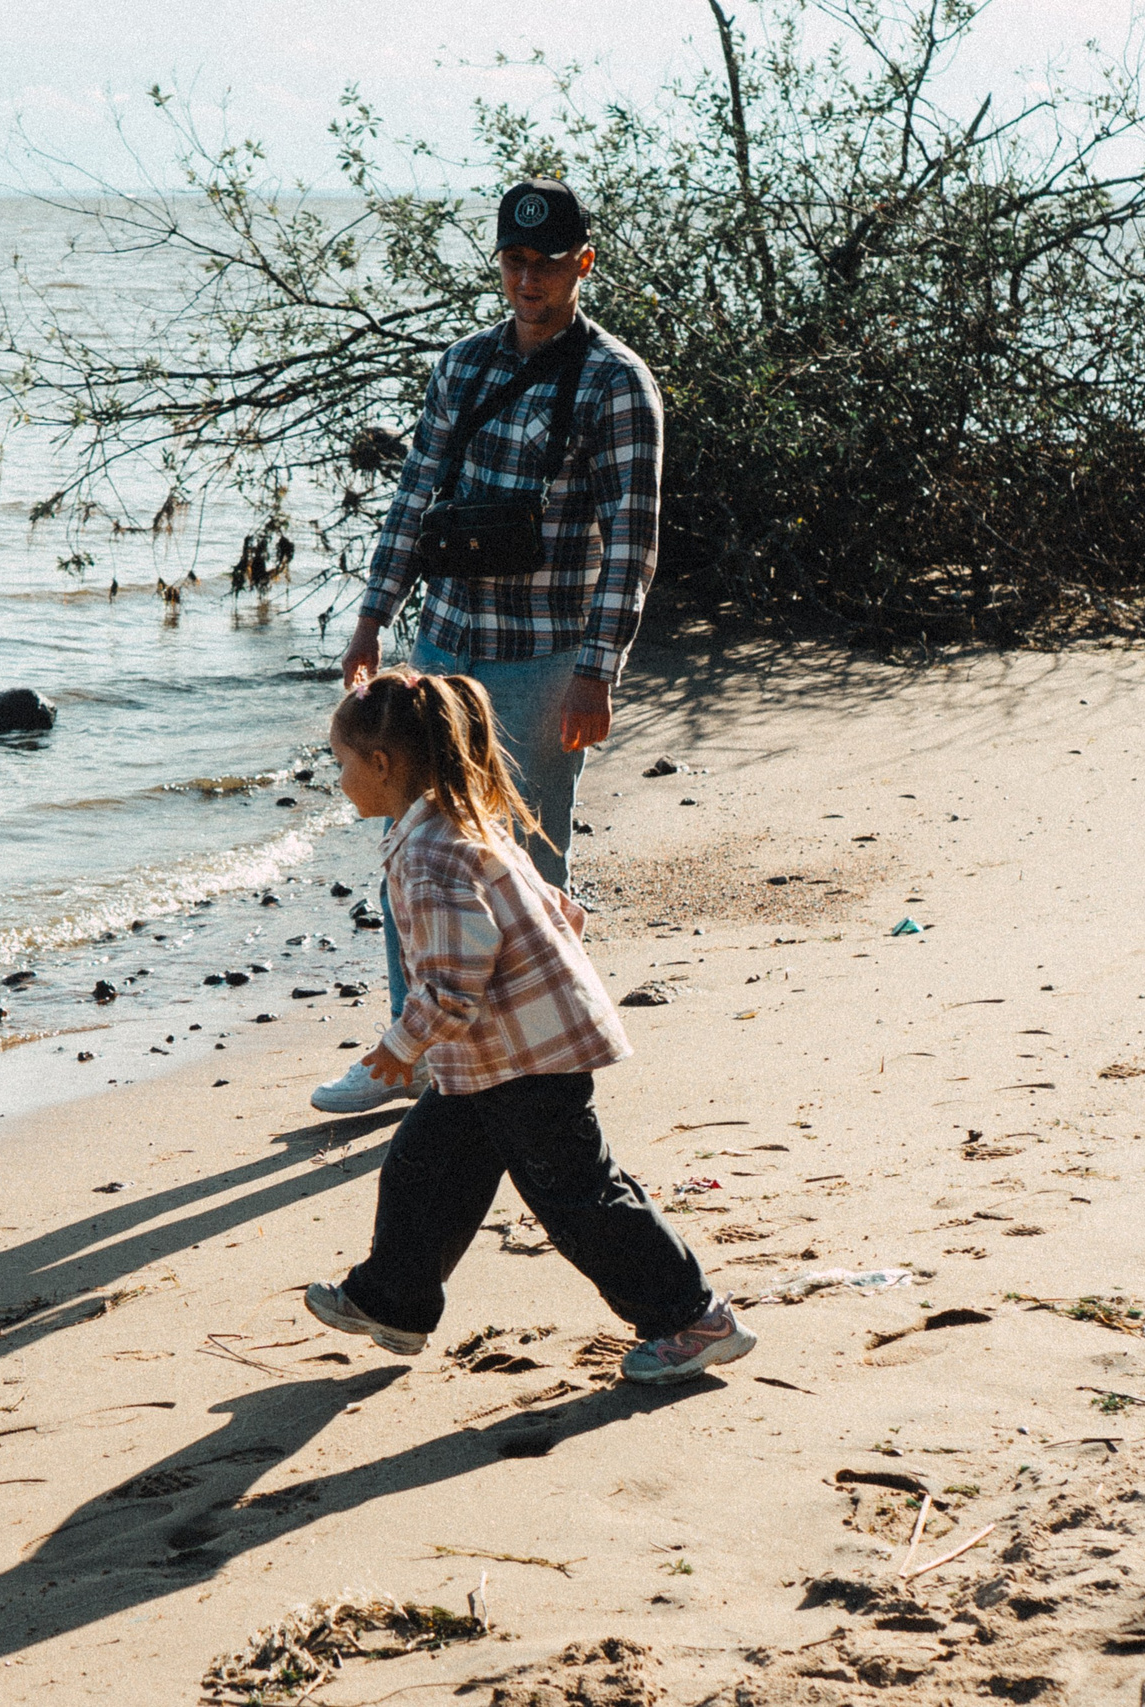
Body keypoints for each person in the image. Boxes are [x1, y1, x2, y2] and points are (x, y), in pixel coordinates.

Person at [314, 175, 665, 1116]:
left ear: (582, 264)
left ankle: (536, 1062)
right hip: (445, 653)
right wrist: (371, 618)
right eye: (515, 262)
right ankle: (415, 1060)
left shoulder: (615, 382)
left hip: (550, 659)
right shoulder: (463, 367)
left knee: (528, 875)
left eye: (549, 264)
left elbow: (632, 541)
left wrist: (598, 673)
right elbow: (414, 493)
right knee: (412, 858)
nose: (530, 280)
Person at [302, 668, 756, 1385]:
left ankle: (692, 1316)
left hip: (526, 1059)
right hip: (497, 1055)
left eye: (342, 763)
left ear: (382, 765)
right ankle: (393, 1299)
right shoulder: (462, 824)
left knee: (578, 1197)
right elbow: (559, 908)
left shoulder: (428, 856)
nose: (339, 778)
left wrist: (397, 1049)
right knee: (422, 1169)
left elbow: (453, 986)